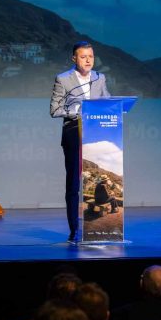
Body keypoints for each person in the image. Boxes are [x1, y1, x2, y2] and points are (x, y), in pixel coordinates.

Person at [50, 41, 111, 243]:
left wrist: (112, 107)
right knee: (74, 184)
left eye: (91, 57)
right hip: (73, 133)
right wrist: (77, 112)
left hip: (97, 134)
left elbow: (107, 102)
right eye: (83, 56)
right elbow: (55, 110)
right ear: (74, 58)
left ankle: (99, 230)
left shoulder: (100, 78)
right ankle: (75, 229)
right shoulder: (63, 79)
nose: (88, 60)